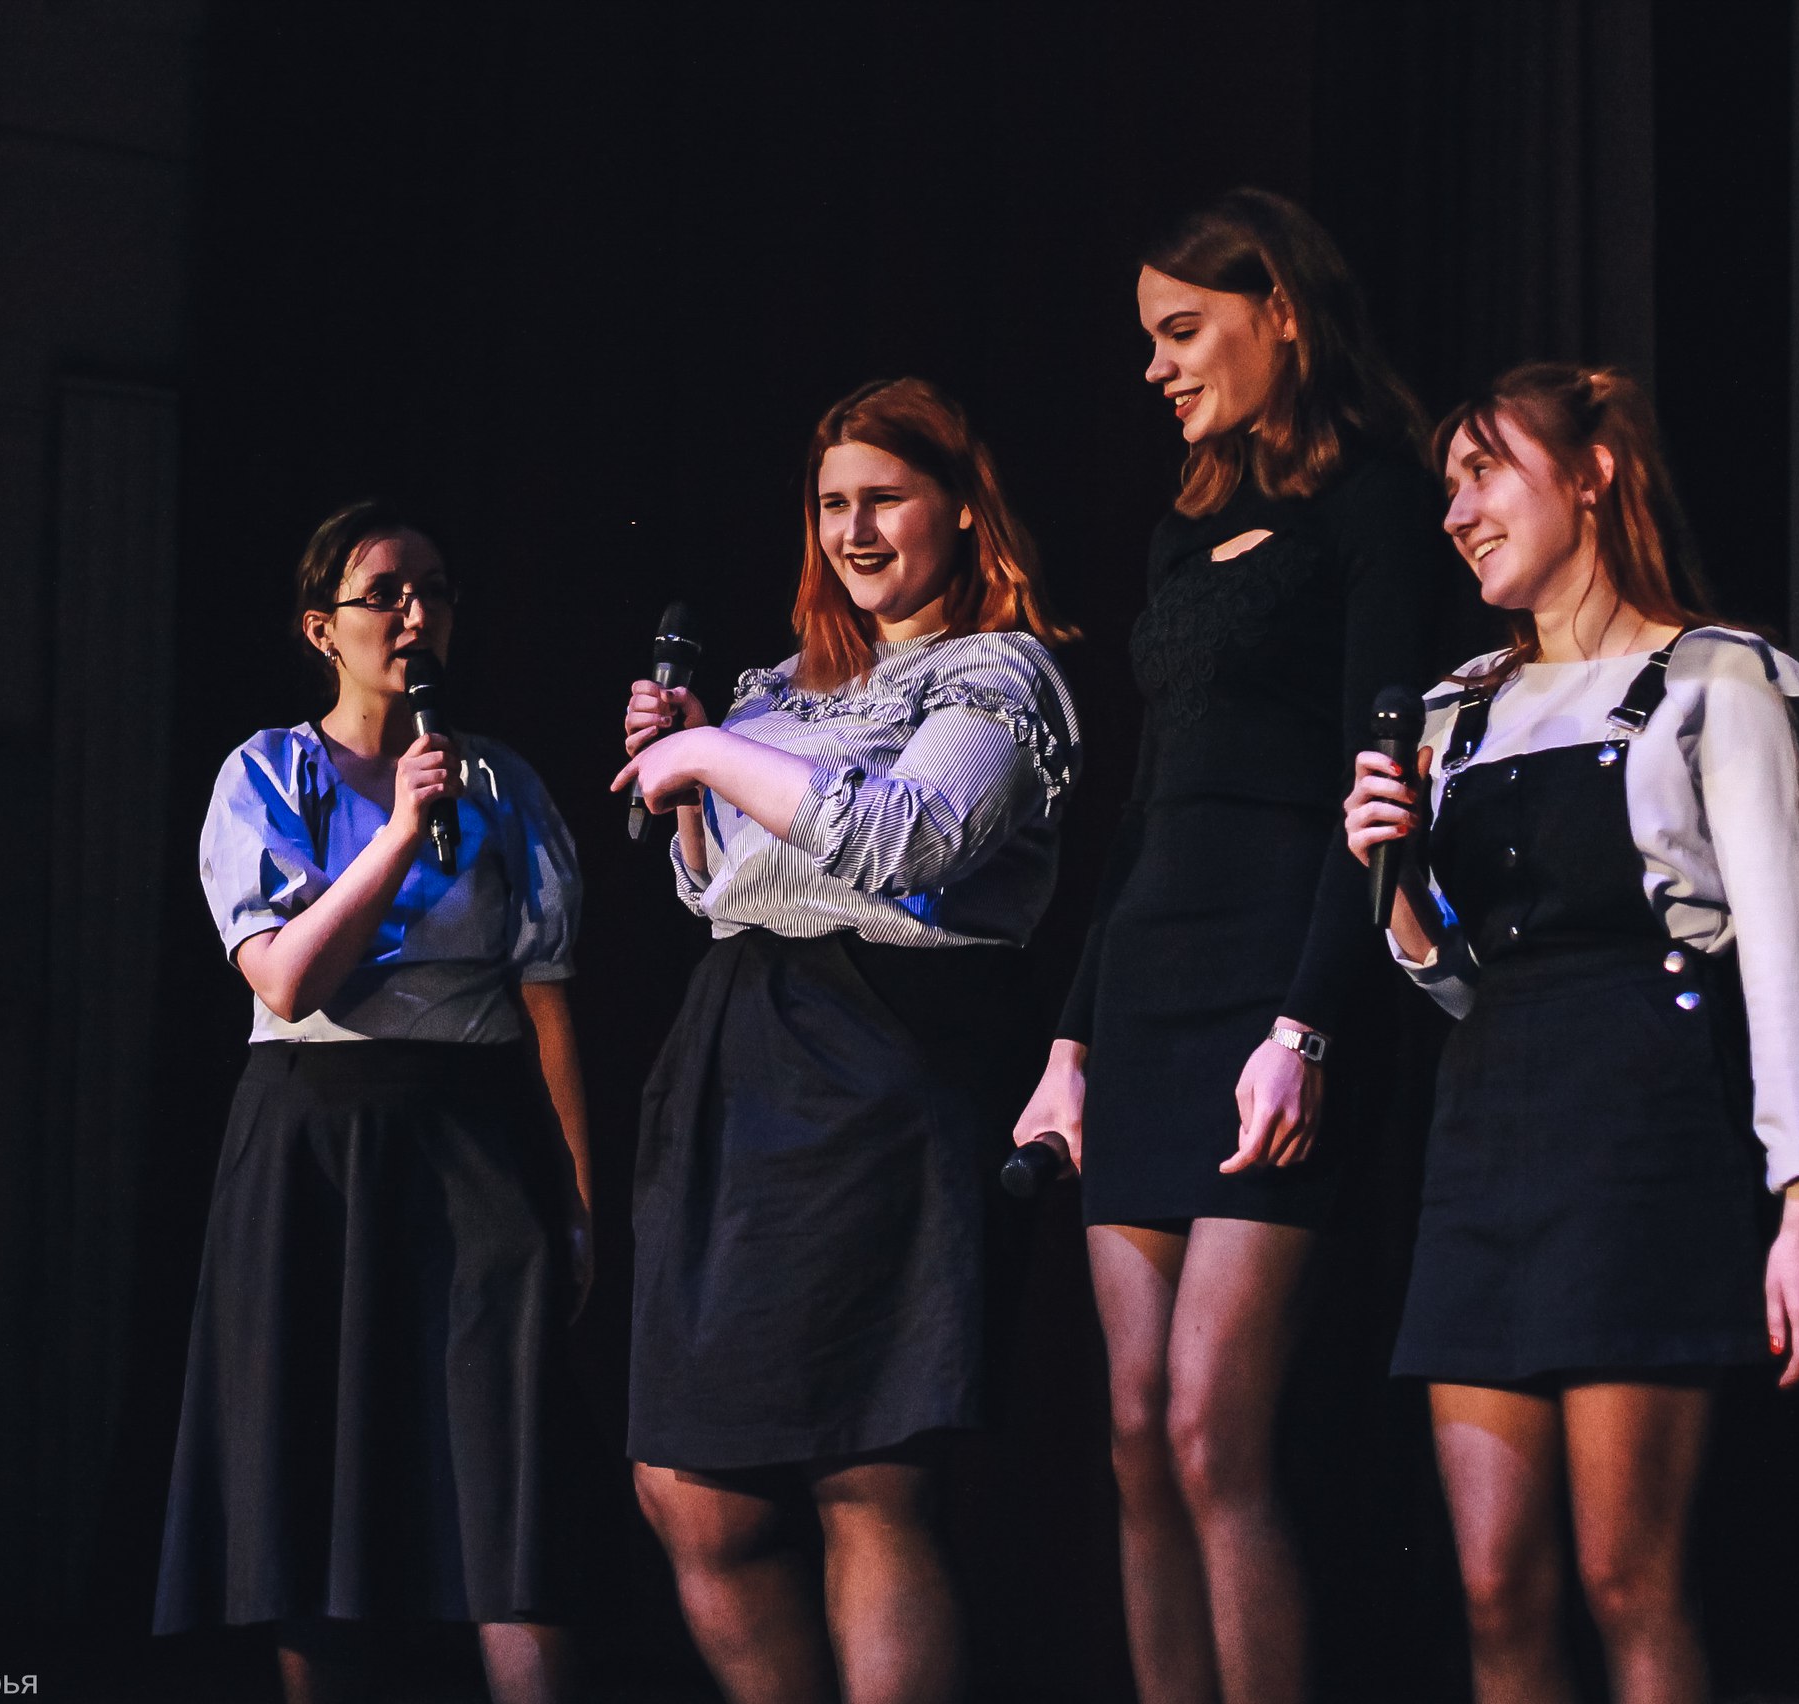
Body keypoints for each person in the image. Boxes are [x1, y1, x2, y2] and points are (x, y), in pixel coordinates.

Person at [1342, 363, 1799, 1703]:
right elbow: (1454, 982)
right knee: (1493, 1588)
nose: (1456, 512)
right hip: (1485, 1131)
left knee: (1628, 1579)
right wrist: (1394, 885)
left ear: (1592, 473)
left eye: (1485, 472)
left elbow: (1781, 949)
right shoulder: (1458, 707)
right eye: (1448, 486)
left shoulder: (1712, 679)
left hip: (1638, 1135)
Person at [1008, 188, 1453, 1703]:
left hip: (1277, 985)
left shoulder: (1376, 505)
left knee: (1211, 1429)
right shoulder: (1180, 532)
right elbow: (1146, 805)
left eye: (1182, 331)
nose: (1155, 367)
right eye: (1149, 339)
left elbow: (1371, 790)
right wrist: (1070, 1042)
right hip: (1147, 998)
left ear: (1283, 313)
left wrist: (1307, 1023)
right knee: (1136, 1434)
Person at [613, 376, 1081, 1704]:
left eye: (885, 499)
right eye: (832, 505)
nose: (854, 533)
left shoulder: (997, 673)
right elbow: (720, 891)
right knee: (690, 1491)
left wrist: (712, 759)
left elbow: (912, 840)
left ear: (961, 506)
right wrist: (692, 781)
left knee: (864, 1472)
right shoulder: (781, 682)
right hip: (736, 1049)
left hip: (882, 1057)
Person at [155, 501, 592, 1704]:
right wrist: (400, 831)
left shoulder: (502, 781)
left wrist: (576, 1199)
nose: (416, 614)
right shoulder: (268, 773)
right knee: (315, 1475)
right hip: (313, 1135)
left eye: (435, 591)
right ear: (321, 628)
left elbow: (547, 1003)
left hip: (477, 1136)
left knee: (509, 1487)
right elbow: (288, 979)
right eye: (386, 593)